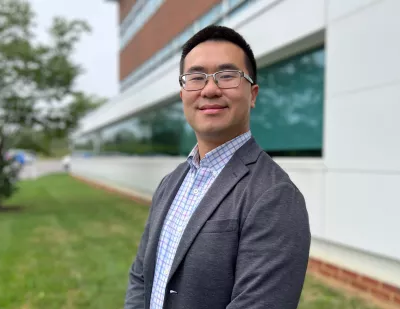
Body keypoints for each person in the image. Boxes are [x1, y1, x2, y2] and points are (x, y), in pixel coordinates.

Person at [124, 25, 311, 309]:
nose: (210, 89)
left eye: (227, 76)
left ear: (253, 95)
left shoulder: (276, 195)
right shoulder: (170, 183)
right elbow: (141, 277)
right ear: (183, 95)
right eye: (196, 77)